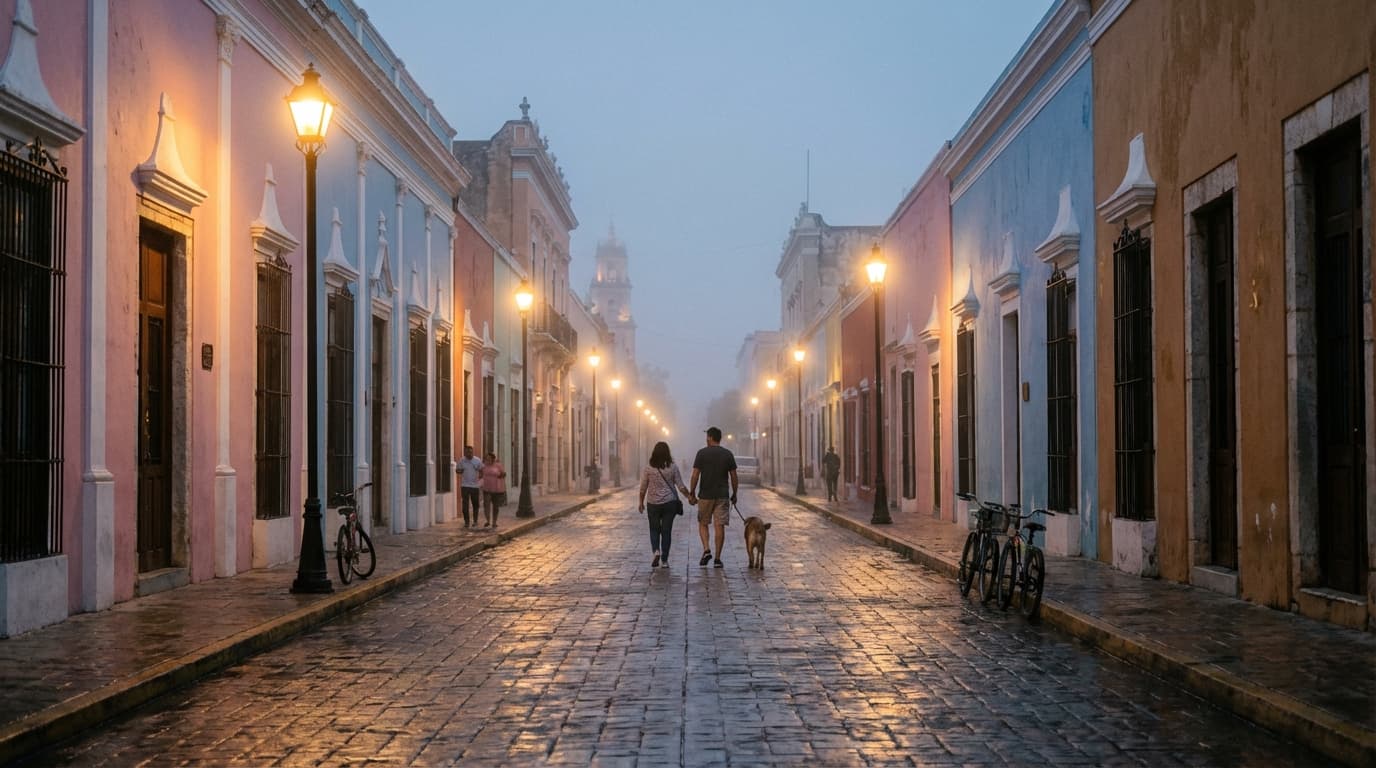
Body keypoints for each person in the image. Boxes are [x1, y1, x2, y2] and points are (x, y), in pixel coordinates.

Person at [638, 441, 692, 568]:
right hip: (669, 503)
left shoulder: (648, 468)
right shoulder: (673, 467)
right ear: (668, 453)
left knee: (654, 529)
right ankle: (665, 560)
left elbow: (643, 487)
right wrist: (689, 496)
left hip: (653, 503)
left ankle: (656, 551)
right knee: (666, 531)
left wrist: (641, 502)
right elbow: (680, 486)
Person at [689, 426, 737, 568]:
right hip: (722, 495)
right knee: (719, 526)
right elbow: (734, 476)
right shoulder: (728, 454)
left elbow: (695, 475)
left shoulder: (702, 453)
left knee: (703, 523)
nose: (706, 439)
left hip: (705, 495)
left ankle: (706, 549)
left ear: (710, 437)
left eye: (707, 436)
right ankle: (717, 559)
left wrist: (692, 492)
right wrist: (735, 493)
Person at [455, 446, 484, 528]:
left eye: (470, 452)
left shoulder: (477, 460)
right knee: (465, 505)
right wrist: (460, 470)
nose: (469, 454)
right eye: (467, 452)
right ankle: (467, 522)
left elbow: (482, 470)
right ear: (465, 452)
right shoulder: (462, 460)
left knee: (475, 504)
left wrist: (480, 476)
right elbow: (457, 470)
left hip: (475, 486)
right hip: (465, 486)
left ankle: (475, 521)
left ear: (472, 452)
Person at [480, 452, 507, 528]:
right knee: (486, 505)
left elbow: (504, 474)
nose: (487, 459)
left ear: (492, 459)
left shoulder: (498, 465)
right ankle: (488, 521)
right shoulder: (483, 465)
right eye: (486, 458)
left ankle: (494, 522)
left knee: (495, 507)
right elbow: (480, 474)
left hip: (496, 489)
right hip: (486, 488)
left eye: (489, 458)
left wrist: (500, 475)